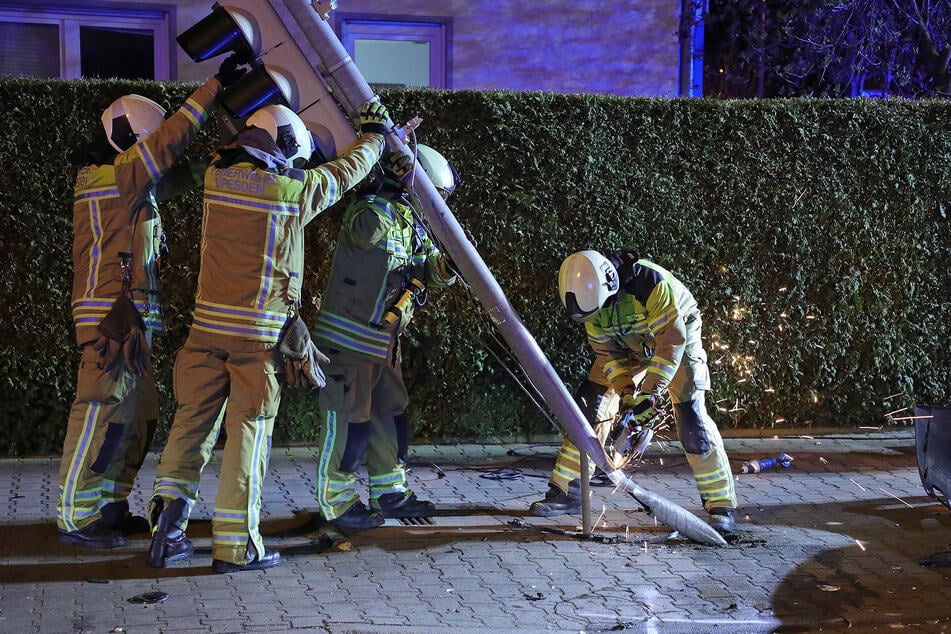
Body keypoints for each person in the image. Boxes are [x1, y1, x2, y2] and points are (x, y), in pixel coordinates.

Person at [146, 99, 390, 572]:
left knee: (189, 430)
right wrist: (376, 137)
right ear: (286, 148)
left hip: (202, 335)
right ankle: (237, 547)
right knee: (248, 437)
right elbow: (343, 174)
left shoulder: (217, 177)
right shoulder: (290, 191)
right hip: (256, 343)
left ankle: (167, 531)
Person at [57, 58, 246, 549]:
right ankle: (76, 516)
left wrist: (234, 160)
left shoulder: (127, 180)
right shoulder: (114, 177)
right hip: (109, 323)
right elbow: (169, 145)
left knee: (135, 416)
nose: (153, 151)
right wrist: (216, 86)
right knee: (98, 410)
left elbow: (179, 174)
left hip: (130, 324)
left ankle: (109, 503)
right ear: (131, 138)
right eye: (149, 142)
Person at [530, 249, 739, 534]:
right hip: (629, 343)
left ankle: (721, 505)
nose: (596, 316)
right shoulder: (590, 303)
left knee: (691, 418)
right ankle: (568, 492)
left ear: (610, 288)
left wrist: (649, 394)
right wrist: (627, 394)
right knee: (589, 407)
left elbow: (670, 344)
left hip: (678, 337)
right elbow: (609, 355)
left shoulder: (650, 284)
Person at [311, 144, 458, 531]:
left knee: (390, 416)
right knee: (350, 424)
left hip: (383, 345)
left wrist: (451, 263)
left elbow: (430, 273)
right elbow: (363, 237)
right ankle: (338, 502)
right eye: (433, 196)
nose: (435, 206)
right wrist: (387, 190)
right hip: (348, 342)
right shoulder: (370, 209)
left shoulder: (412, 223)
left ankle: (389, 492)